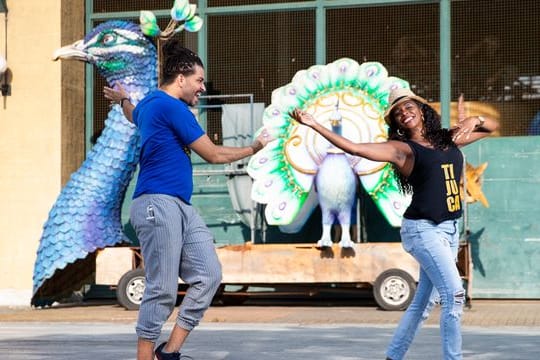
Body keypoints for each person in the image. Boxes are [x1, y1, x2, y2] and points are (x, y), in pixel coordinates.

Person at [291, 87, 499, 360]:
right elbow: (355, 148)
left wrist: (475, 120)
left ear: (422, 110)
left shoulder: (448, 140)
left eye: (408, 106)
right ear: (396, 123)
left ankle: (393, 356)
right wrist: (315, 124)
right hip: (424, 230)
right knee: (454, 295)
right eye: (398, 112)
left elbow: (492, 126)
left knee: (423, 305)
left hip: (449, 229)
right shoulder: (402, 150)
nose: (404, 112)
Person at [104, 40, 272, 360]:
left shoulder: (150, 105)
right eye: (199, 80)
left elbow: (132, 114)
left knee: (208, 276)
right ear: (180, 78)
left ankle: (169, 352)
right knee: (163, 289)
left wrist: (123, 98)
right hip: (158, 204)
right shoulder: (171, 107)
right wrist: (254, 148)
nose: (203, 88)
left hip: (181, 205)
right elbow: (213, 154)